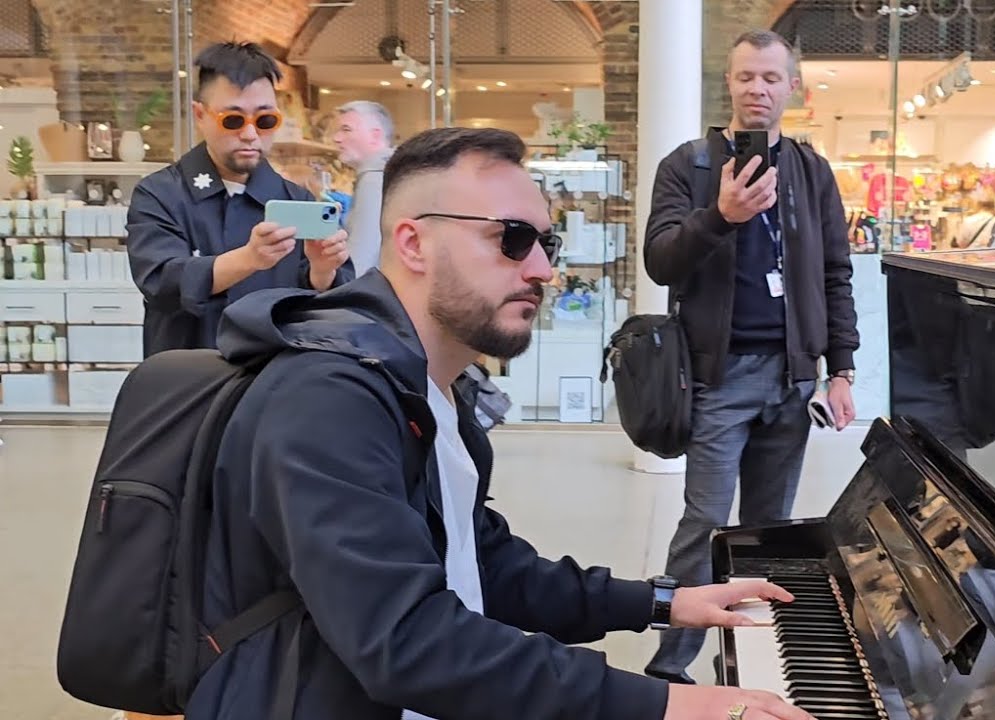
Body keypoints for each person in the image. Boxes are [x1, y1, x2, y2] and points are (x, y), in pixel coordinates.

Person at [188, 126, 815, 720]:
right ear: (412, 243)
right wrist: (664, 704)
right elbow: (407, 642)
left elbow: (477, 558)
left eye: (548, 243)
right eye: (511, 238)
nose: (542, 269)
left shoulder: (426, 383)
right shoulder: (329, 397)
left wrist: (662, 602)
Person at [642, 29, 860, 683]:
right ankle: (671, 666)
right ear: (729, 84)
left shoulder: (812, 170)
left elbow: (835, 273)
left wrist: (842, 368)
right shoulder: (688, 166)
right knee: (705, 520)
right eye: (745, 77)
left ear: (792, 86)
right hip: (719, 375)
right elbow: (659, 261)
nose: (757, 89)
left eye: (770, 78)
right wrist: (722, 216)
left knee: (770, 527)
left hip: (793, 379)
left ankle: (759, 656)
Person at [125, 41, 353, 357]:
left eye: (264, 121)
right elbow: (162, 281)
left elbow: (328, 308)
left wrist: (323, 270)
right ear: (200, 115)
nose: (249, 134)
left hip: (275, 382)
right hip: (189, 382)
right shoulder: (161, 194)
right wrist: (249, 259)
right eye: (233, 120)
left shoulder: (298, 201)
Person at [332, 100, 396, 275]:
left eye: (346, 129)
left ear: (375, 136)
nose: (336, 138)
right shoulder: (388, 174)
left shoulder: (375, 178)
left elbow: (361, 259)